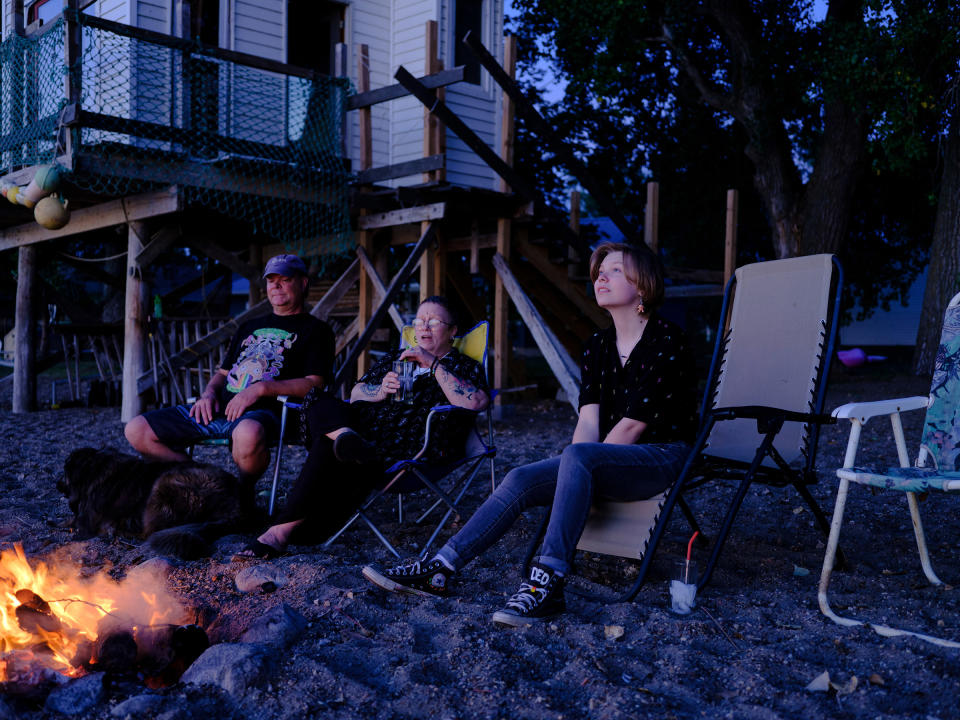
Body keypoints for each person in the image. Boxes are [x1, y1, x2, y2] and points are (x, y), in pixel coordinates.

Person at [362, 242, 699, 627]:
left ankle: (547, 582)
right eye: (600, 270)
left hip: (661, 455)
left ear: (643, 285)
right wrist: (575, 474)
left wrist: (581, 473)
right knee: (522, 476)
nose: (601, 276)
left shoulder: (667, 340)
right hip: (605, 457)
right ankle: (440, 568)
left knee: (578, 458)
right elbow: (588, 424)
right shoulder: (597, 347)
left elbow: (633, 426)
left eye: (616, 270)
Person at [234, 295, 489, 559]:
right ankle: (346, 438)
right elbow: (356, 392)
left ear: (453, 331)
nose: (423, 327)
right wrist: (379, 390)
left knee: (328, 443)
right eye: (419, 321)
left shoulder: (462, 367)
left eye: (433, 321)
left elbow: (477, 402)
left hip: (406, 449)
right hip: (365, 431)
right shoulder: (399, 358)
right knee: (318, 398)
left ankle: (277, 533)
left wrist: (432, 364)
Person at [124, 254, 335, 503]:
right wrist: (209, 394)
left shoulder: (317, 331)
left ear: (303, 283)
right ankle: (204, 479)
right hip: (219, 408)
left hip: (265, 413)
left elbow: (314, 383)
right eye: (271, 280)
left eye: (285, 279)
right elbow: (222, 374)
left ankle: (241, 494)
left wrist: (260, 389)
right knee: (137, 429)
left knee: (247, 433)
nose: (275, 286)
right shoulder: (249, 326)